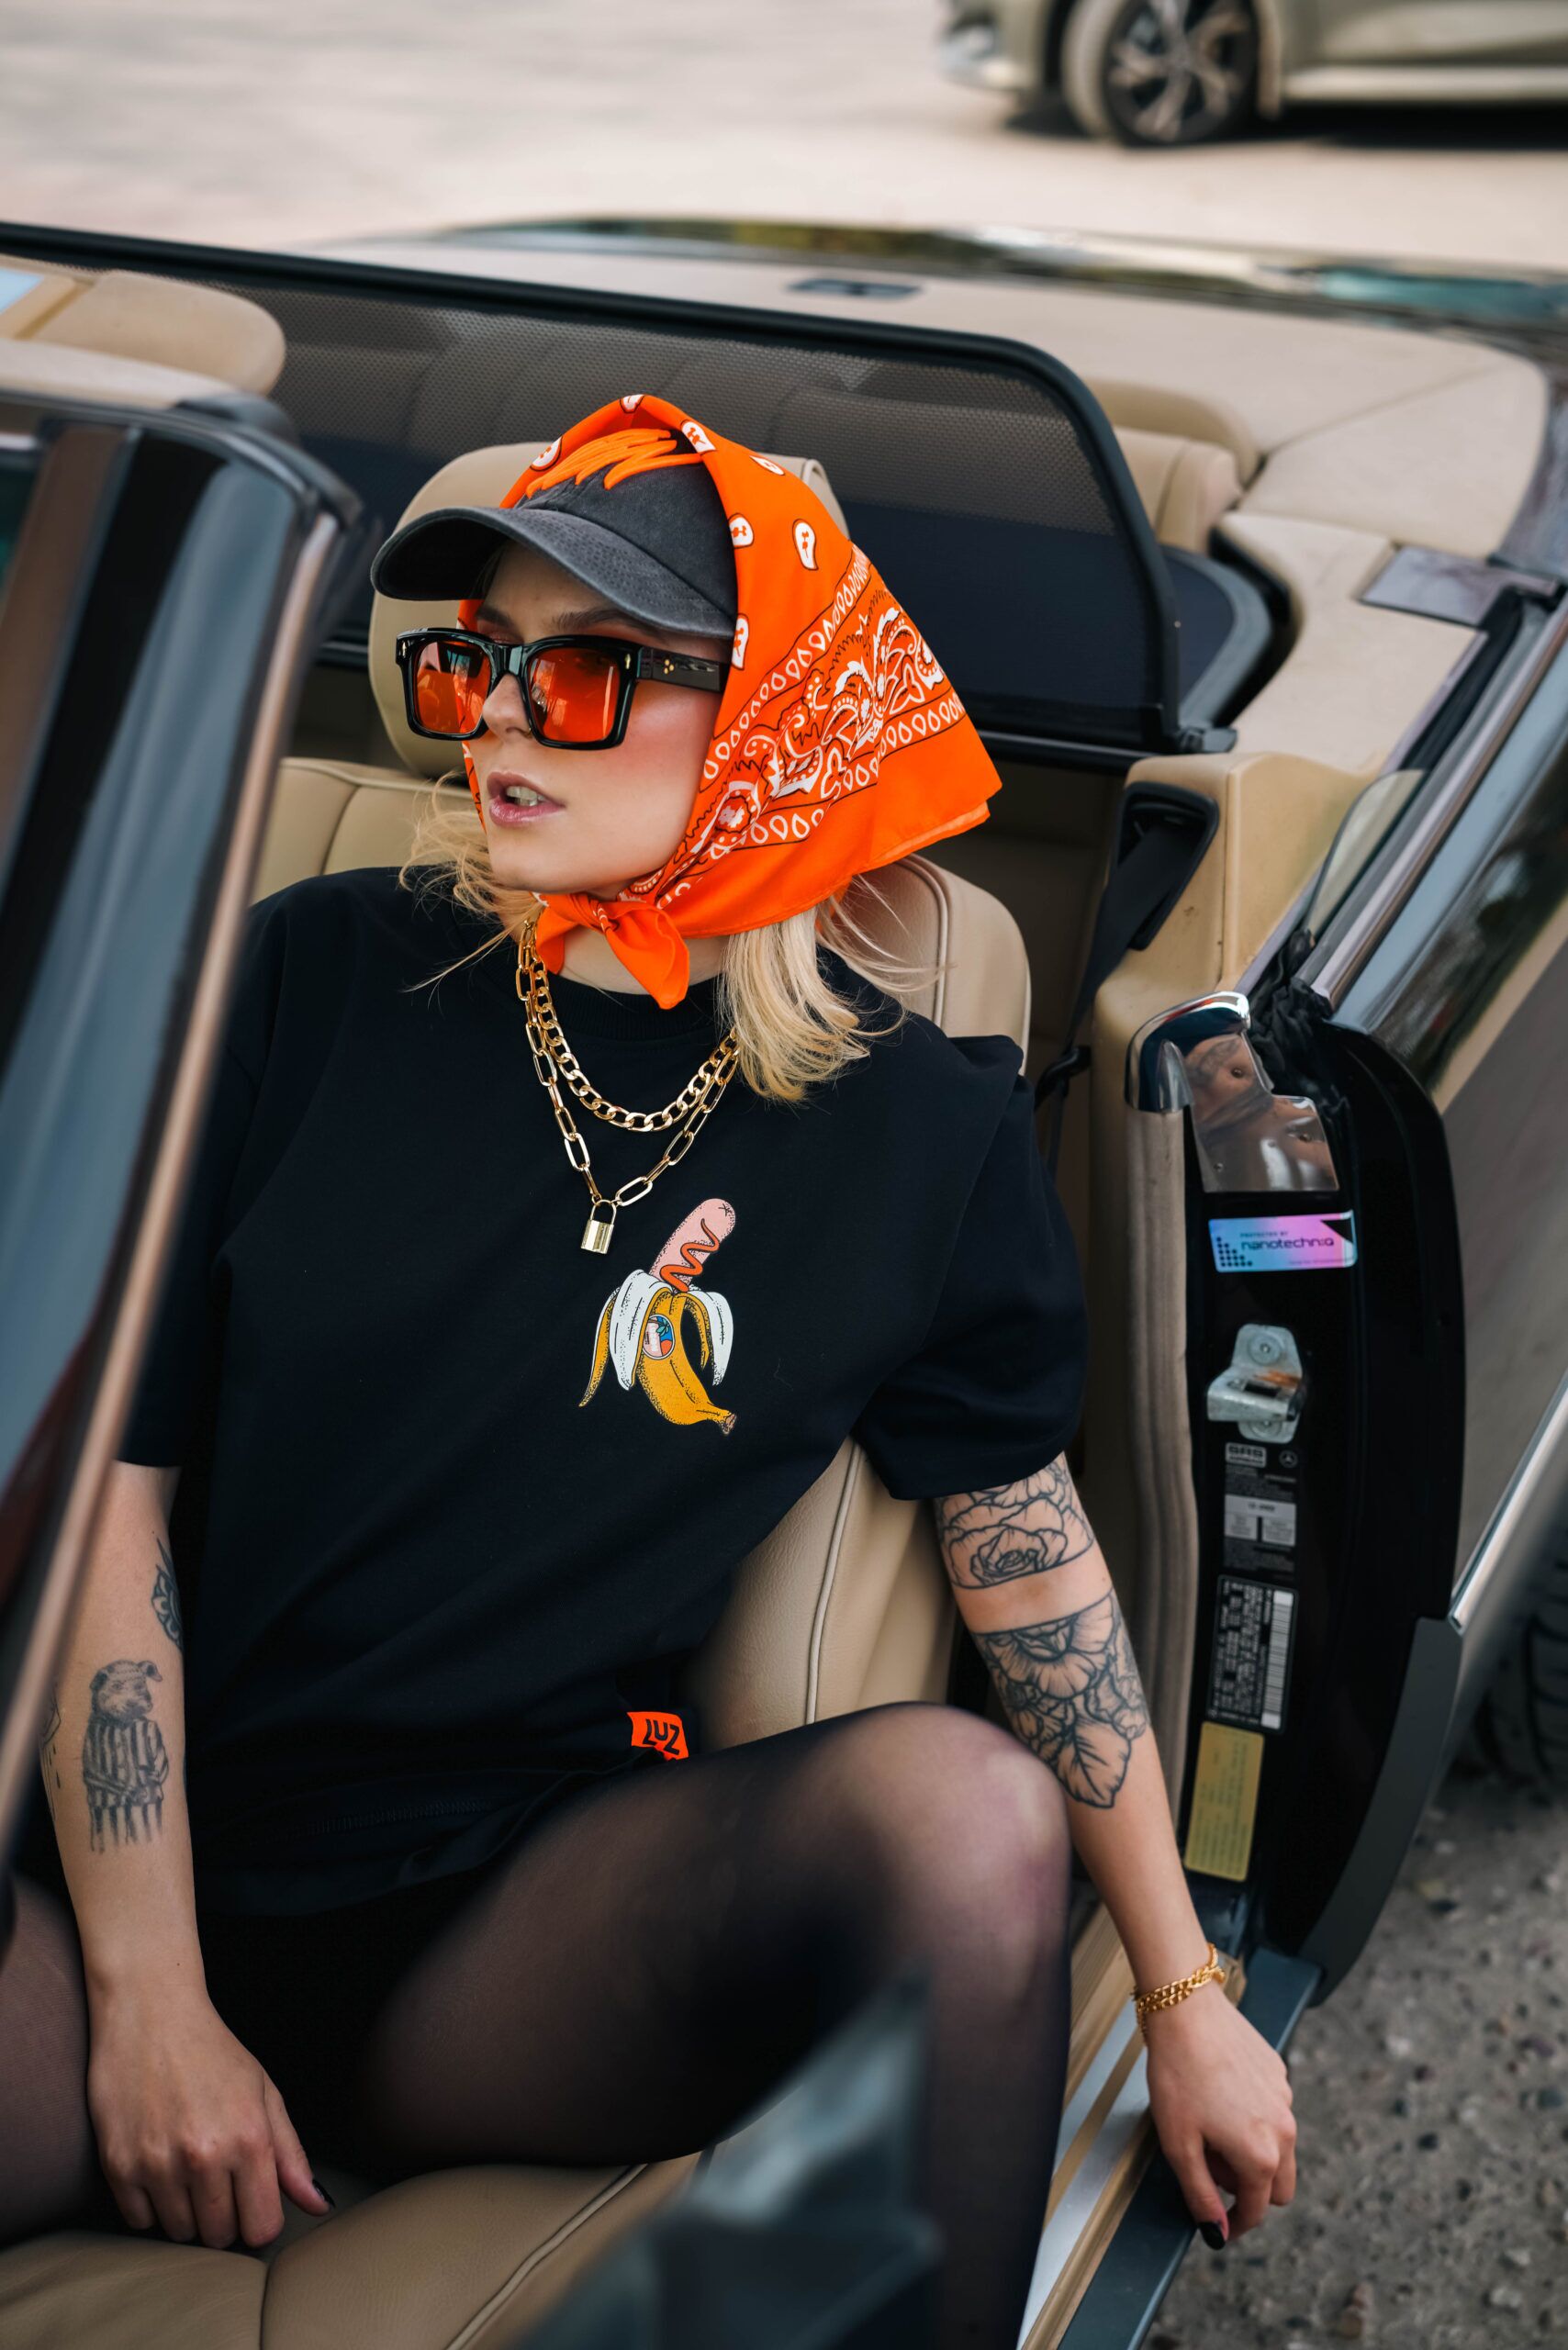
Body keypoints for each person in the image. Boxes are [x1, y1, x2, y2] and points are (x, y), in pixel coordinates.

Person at [1, 396, 1294, 2347]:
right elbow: (113, 1478)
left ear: (765, 710)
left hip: (500, 1929)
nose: (504, 722)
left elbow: (1023, 1558)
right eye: (476, 663)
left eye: (590, 670)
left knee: (963, 1816)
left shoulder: (916, 1136)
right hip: (102, 1888)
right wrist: (153, 1997)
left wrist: (1186, 1994)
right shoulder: (311, 973)